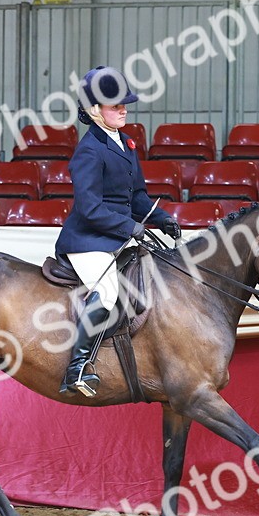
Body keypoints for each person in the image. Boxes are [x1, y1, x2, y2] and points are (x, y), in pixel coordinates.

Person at [55, 65, 182, 397]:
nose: (124, 109)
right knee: (108, 292)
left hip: (116, 236)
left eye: (125, 103)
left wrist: (162, 217)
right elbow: (89, 207)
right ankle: (77, 367)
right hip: (88, 241)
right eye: (116, 105)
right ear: (95, 110)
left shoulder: (125, 142)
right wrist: (130, 226)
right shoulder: (88, 151)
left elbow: (136, 196)